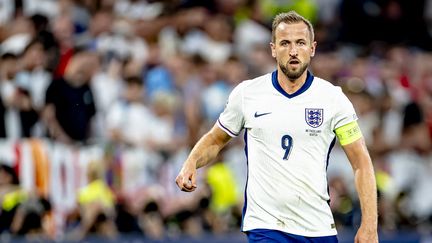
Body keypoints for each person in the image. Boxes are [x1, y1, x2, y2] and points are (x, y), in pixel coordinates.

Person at [176, 10, 378, 243]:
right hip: (266, 226)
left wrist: (370, 226)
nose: (293, 51)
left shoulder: (333, 99)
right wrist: (191, 162)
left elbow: (361, 162)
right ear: (273, 49)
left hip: (317, 228)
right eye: (285, 43)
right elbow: (216, 139)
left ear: (312, 48)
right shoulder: (248, 94)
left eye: (300, 43)